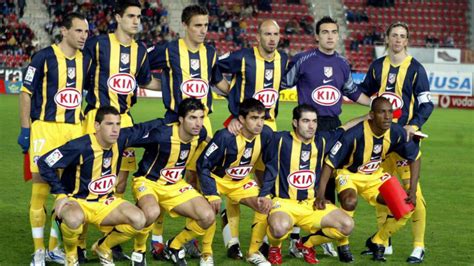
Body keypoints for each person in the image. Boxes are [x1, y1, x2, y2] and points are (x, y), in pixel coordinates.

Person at [284, 15, 371, 257]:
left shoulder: (343, 63)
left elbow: (353, 92)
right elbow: (281, 82)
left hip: (333, 127)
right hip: (308, 126)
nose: (330, 36)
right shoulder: (303, 60)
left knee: (328, 181)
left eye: (334, 31)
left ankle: (321, 235)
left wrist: (375, 104)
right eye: (325, 32)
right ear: (317, 35)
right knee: (304, 182)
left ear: (338, 35)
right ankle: (294, 238)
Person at [147, 4, 229, 259]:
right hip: (174, 123)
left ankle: (190, 238)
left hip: (204, 125)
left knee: (198, 181)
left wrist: (241, 97)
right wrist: (164, 87)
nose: (203, 30)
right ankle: (157, 239)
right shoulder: (169, 50)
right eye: (197, 25)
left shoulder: (211, 53)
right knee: (165, 180)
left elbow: (219, 83)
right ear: (185, 25)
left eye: (206, 25)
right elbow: (141, 69)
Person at [37, 106, 164, 266]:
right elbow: (45, 162)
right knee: (73, 219)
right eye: (109, 124)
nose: (115, 129)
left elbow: (142, 128)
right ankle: (71, 254)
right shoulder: (79, 146)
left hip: (106, 203)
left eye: (118, 124)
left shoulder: (121, 139)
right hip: (79, 202)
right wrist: (60, 193)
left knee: (139, 220)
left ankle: (103, 247)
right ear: (97, 125)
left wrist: (167, 120)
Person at [357, 22, 433, 263]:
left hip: (405, 144)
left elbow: (427, 103)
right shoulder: (377, 66)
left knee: (414, 194)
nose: (398, 40)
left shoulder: (416, 69)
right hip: (380, 143)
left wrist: (415, 124)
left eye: (402, 36)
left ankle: (419, 246)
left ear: (407, 41)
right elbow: (363, 93)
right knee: (383, 192)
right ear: (387, 39)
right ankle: (384, 242)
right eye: (394, 36)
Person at [81, 0, 152, 259]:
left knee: (119, 180)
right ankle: (78, 244)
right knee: (88, 181)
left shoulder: (141, 51)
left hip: (126, 123)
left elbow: (145, 81)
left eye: (139, 17)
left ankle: (109, 239)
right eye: (131, 16)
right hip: (96, 119)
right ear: (118, 18)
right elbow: (82, 75)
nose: (136, 21)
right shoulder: (98, 44)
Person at [17, 12, 89, 266]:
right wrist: (26, 130)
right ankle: (38, 251)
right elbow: (26, 93)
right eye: (79, 31)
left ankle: (53, 249)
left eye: (86, 32)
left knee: (66, 193)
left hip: (74, 131)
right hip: (45, 130)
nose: (83, 36)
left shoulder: (86, 60)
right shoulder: (44, 57)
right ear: (64, 31)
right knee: (40, 191)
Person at [216, 19, 290, 259]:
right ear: (258, 36)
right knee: (234, 178)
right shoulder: (243, 57)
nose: (272, 38)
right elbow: (214, 66)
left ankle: (264, 241)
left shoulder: (284, 60)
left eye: (276, 34)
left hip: (269, 127)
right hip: (242, 125)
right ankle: (232, 240)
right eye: (267, 34)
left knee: (268, 183)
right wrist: (229, 93)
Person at [315, 97, 421, 262]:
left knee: (407, 206)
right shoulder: (354, 134)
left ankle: (377, 241)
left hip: (374, 176)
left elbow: (415, 157)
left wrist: (412, 190)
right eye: (381, 112)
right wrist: (320, 194)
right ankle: (343, 243)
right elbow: (329, 163)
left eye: (389, 112)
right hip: (349, 174)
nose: (387, 116)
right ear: (371, 115)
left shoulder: (396, 131)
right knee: (350, 201)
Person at [258, 104, 367, 264]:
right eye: (306, 121)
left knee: (347, 226)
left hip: (311, 204)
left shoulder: (322, 140)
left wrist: (367, 116)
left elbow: (344, 128)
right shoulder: (280, 139)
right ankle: (275, 247)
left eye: (314, 121)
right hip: (284, 203)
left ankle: (307, 244)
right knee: (279, 228)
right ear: (295, 122)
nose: (311, 126)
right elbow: (255, 132)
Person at [130, 98, 215, 266]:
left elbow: (215, 144)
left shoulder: (201, 133)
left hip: (175, 185)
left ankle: (173, 246)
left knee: (208, 216)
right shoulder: (161, 134)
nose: (198, 123)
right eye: (192, 118)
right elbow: (130, 138)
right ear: (181, 119)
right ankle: (139, 251)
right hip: (148, 182)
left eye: (201, 117)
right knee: (151, 212)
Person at [197, 99, 273, 266]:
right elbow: (203, 164)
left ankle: (253, 252)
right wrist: (210, 193)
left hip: (241, 182)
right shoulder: (224, 136)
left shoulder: (266, 134)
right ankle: (206, 253)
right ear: (241, 119)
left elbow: (271, 165)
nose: (259, 123)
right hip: (217, 179)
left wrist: (265, 192)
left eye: (262, 118)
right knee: (210, 209)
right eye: (254, 118)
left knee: (264, 205)